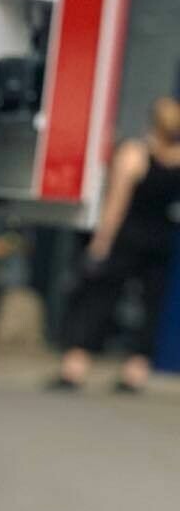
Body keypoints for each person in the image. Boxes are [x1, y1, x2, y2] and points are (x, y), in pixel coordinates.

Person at [49, 95, 180, 394]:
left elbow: (116, 203)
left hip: (127, 238)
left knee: (98, 299)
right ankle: (136, 372)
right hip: (161, 239)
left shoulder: (134, 154)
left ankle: (75, 366)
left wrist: (101, 241)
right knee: (151, 305)